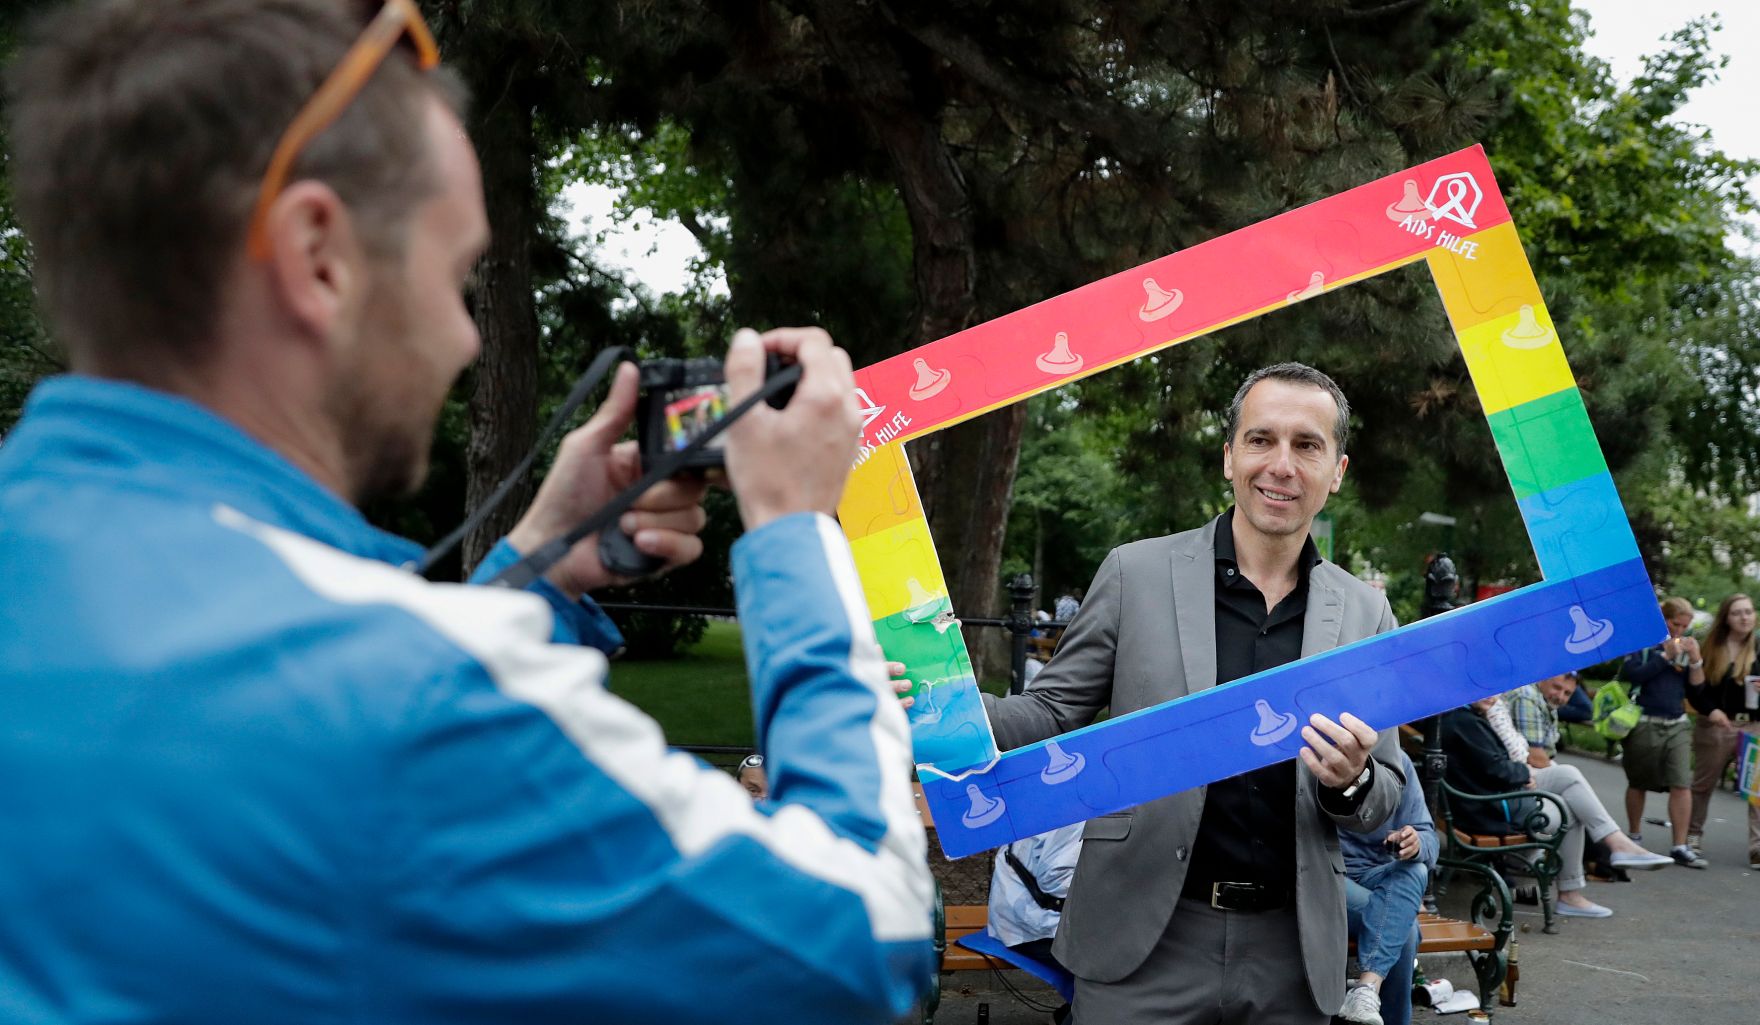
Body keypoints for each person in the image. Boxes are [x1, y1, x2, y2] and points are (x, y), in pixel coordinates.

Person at [0, 2, 932, 1022]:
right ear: (318, 254)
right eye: (452, 279)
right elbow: (864, 934)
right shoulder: (399, 695)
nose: (464, 340)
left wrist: (538, 570)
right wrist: (796, 529)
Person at [981, 362, 1405, 1024]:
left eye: (1307, 445)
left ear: (1337, 471)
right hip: (1142, 942)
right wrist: (936, 709)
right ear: (1229, 456)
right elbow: (1049, 711)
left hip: (1292, 958)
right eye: (1261, 439)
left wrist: (1351, 781)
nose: (1281, 465)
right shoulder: (1135, 573)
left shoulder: (1367, 613)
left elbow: (1386, 794)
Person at [1443, 696, 1670, 920]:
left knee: (1569, 777)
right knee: (1569, 809)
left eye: (1495, 691)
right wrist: (1524, 773)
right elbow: (1496, 770)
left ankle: (1615, 845)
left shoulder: (1463, 716)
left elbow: (1491, 766)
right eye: (1485, 690)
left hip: (1492, 799)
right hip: (1494, 810)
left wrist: (1522, 772)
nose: (1493, 697)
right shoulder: (1464, 722)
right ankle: (1575, 890)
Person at [1337, 752, 1436, 1025]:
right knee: (1405, 929)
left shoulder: (1396, 760)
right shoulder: (1312, 759)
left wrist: (1415, 843)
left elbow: (1429, 838)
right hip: (1328, 876)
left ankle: (1366, 991)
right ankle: (1368, 992)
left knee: (1416, 869)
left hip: (1377, 875)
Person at [1621, 596, 1706, 868]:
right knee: (1638, 781)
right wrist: (1665, 656)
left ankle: (1679, 845)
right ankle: (1634, 837)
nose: (1679, 630)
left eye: (1684, 626)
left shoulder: (1685, 647)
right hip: (1645, 720)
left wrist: (1696, 661)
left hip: (1676, 722)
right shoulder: (1642, 642)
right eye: (1674, 624)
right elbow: (1633, 674)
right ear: (1662, 618)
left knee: (1681, 783)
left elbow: (1697, 691)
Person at [1685, 593, 1760, 867]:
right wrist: (1711, 710)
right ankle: (1691, 836)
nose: (1744, 618)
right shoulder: (1712, 648)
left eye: (1748, 612)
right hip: (1717, 725)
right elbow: (1695, 688)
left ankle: (1757, 847)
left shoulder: (1758, 646)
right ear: (1726, 618)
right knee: (1703, 785)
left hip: (1753, 725)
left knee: (1757, 789)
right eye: (1737, 613)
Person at [987, 822, 1083, 1024]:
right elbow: (1056, 879)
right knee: (1119, 965)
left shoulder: (1044, 803)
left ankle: (1073, 1013)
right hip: (1038, 928)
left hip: (1012, 917)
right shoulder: (1077, 813)